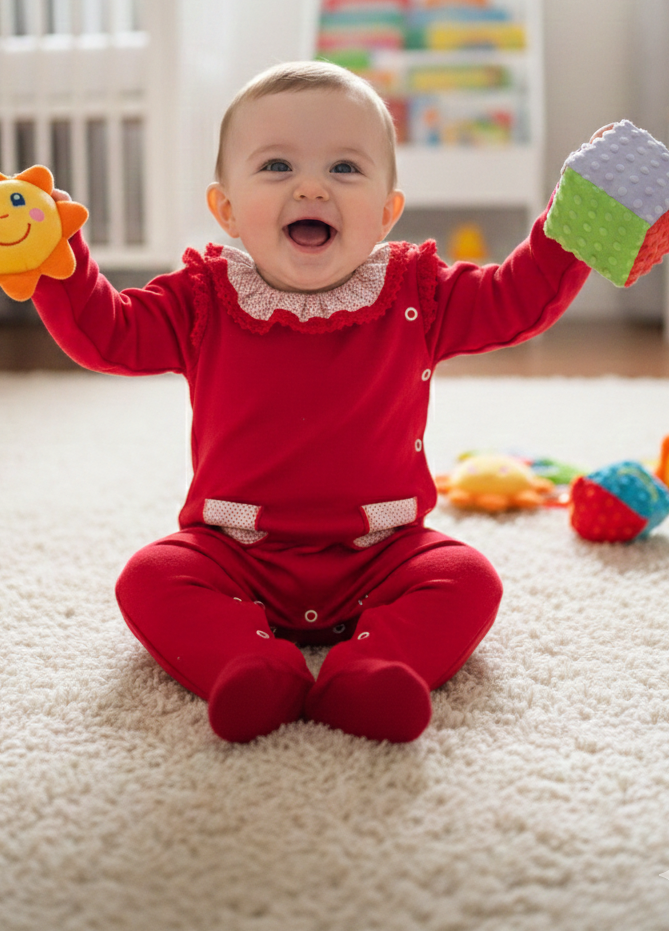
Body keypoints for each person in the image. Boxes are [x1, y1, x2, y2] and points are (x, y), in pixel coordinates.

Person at [34, 61, 591, 743]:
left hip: (382, 551)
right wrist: (55, 261)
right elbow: (108, 333)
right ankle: (248, 664)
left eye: (346, 169)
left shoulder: (418, 293)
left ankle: (376, 669)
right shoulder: (204, 297)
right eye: (275, 166)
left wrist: (572, 231)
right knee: (150, 577)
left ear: (388, 211)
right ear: (227, 208)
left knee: (467, 578)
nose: (311, 186)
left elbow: (517, 297)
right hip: (236, 550)